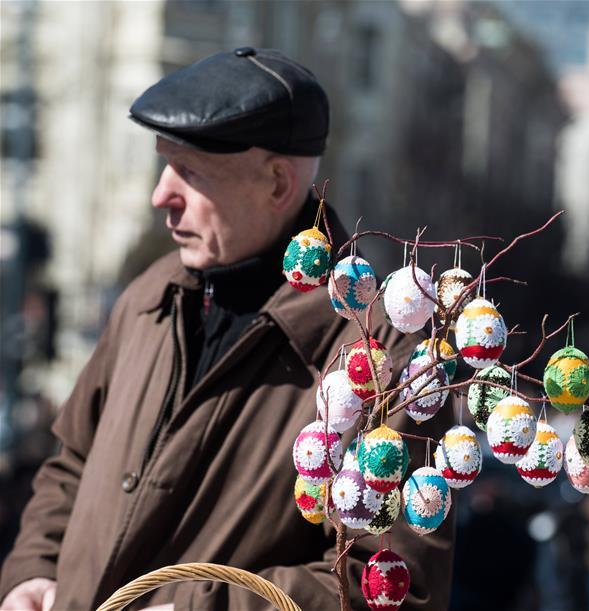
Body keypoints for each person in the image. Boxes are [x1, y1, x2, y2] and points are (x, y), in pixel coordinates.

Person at [0, 47, 455, 611]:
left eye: (189, 172)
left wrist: (200, 609)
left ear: (277, 185)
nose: (160, 195)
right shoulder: (149, 295)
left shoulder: (384, 352)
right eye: (163, 165)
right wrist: (33, 571)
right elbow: (70, 464)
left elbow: (392, 585)